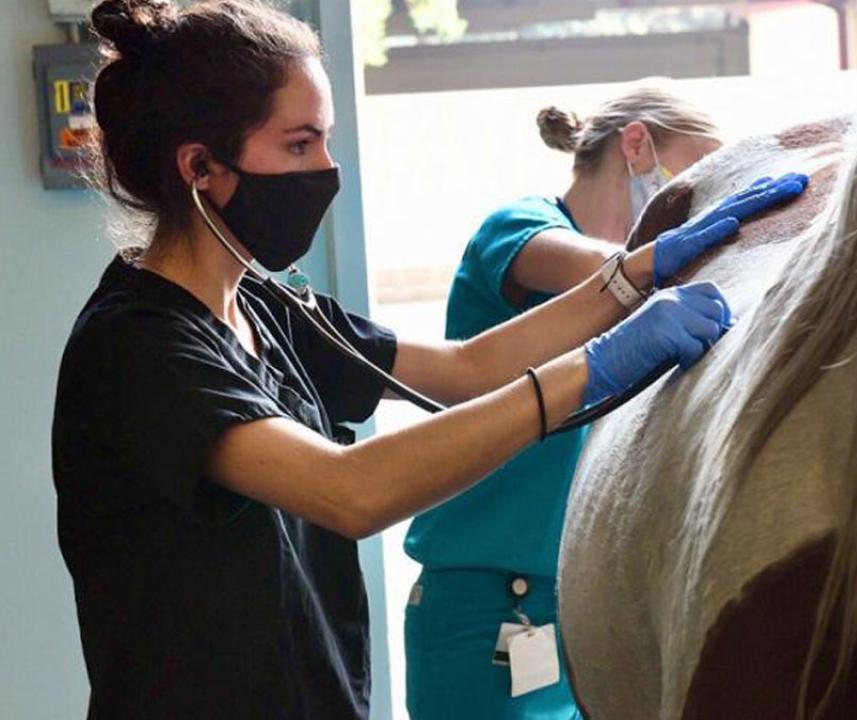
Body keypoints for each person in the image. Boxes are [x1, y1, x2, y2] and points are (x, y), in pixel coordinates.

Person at [50, 1, 807, 718]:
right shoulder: (140, 346)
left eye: (327, 139)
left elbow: (464, 369)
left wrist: (636, 273)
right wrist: (592, 370)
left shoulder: (264, 305)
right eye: (299, 144)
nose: (326, 169)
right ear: (200, 167)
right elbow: (351, 490)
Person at [403, 88, 724, 719]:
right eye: (695, 178)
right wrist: (687, 259)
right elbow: (604, 271)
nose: (700, 209)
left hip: (575, 610)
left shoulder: (659, 306)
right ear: (637, 146)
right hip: (482, 604)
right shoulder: (520, 226)